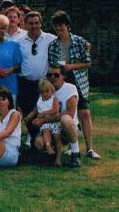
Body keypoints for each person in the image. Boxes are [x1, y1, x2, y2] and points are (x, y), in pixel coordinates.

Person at [48, 10, 99, 160]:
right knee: (67, 113)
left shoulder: (80, 42)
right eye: (57, 29)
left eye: (61, 28)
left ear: (68, 26)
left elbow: (88, 63)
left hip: (78, 81)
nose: (59, 32)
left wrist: (71, 67)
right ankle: (72, 146)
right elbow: (51, 65)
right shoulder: (53, 45)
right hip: (61, 82)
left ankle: (90, 148)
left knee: (84, 113)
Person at [16, 11, 57, 144]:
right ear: (25, 24)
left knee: (43, 111)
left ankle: (47, 141)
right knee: (28, 113)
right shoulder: (19, 41)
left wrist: (85, 44)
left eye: (36, 23)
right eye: (30, 23)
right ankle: (34, 140)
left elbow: (66, 38)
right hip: (25, 83)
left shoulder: (51, 38)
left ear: (41, 23)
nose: (34, 26)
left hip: (43, 83)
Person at [46, 66, 82, 167]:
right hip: (51, 127)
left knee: (65, 119)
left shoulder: (70, 88)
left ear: (63, 76)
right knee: (38, 143)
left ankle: (76, 154)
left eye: (56, 75)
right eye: (49, 75)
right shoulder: (44, 89)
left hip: (69, 126)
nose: (52, 77)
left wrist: (46, 118)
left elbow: (70, 114)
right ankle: (52, 154)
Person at [24, 79, 60, 156]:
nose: (45, 94)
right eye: (42, 92)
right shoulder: (40, 100)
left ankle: (52, 150)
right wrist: (27, 117)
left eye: (47, 91)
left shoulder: (54, 98)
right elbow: (35, 111)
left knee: (50, 131)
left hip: (53, 122)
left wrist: (44, 113)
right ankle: (47, 146)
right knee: (45, 128)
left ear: (51, 90)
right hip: (44, 124)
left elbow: (56, 110)